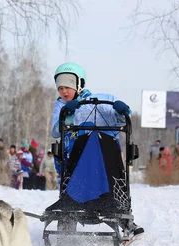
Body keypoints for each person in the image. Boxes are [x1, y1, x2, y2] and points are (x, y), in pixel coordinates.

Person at [49, 62, 144, 237]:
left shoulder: (100, 103)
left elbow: (120, 120)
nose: (64, 91)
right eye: (60, 88)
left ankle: (124, 220)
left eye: (68, 87)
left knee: (98, 139)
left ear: (79, 84)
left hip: (101, 158)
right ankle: (67, 220)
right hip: (73, 156)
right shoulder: (61, 106)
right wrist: (68, 116)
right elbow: (55, 130)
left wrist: (122, 112)